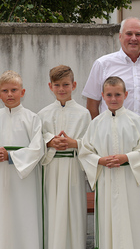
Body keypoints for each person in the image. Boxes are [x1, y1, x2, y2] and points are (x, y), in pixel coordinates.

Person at [82, 17, 140, 203]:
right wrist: (97, 138)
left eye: (138, 34)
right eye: (129, 34)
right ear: (120, 37)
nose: (133, 38)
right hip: (110, 139)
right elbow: (92, 105)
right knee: (112, 198)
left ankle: (136, 233)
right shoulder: (103, 64)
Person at [79, 76, 140, 249]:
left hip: (129, 179)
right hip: (106, 179)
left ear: (126, 95)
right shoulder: (96, 123)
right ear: (102, 95)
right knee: (109, 220)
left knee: (131, 218)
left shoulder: (137, 121)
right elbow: (85, 151)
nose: (113, 99)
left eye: (118, 94)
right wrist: (100, 160)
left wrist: (127, 158)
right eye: (109, 94)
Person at [38, 65, 91, 249]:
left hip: (74, 167)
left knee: (73, 211)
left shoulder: (83, 113)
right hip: (51, 168)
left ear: (74, 85)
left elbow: (90, 143)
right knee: (52, 210)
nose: (61, 89)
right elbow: (36, 140)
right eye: (57, 85)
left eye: (66, 84)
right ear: (50, 86)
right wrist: (49, 141)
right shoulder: (43, 114)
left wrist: (74, 143)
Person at [0, 70, 44, 249]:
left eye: (14, 90)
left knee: (25, 217)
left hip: (25, 178)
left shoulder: (32, 118)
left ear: (23, 92)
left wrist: (11, 156)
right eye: (5, 90)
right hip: (1, 177)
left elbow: (38, 148)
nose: (10, 94)